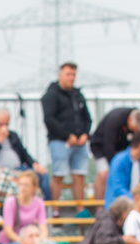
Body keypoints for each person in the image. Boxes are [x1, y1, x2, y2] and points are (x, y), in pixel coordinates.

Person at [42, 63, 93, 204]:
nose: (71, 78)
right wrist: (67, 136)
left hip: (80, 142)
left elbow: (87, 118)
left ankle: (80, 209)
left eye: (73, 75)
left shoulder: (77, 95)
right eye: (68, 74)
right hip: (60, 142)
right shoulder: (51, 95)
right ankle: (55, 209)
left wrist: (85, 134)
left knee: (79, 175)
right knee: (58, 175)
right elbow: (49, 119)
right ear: (60, 75)